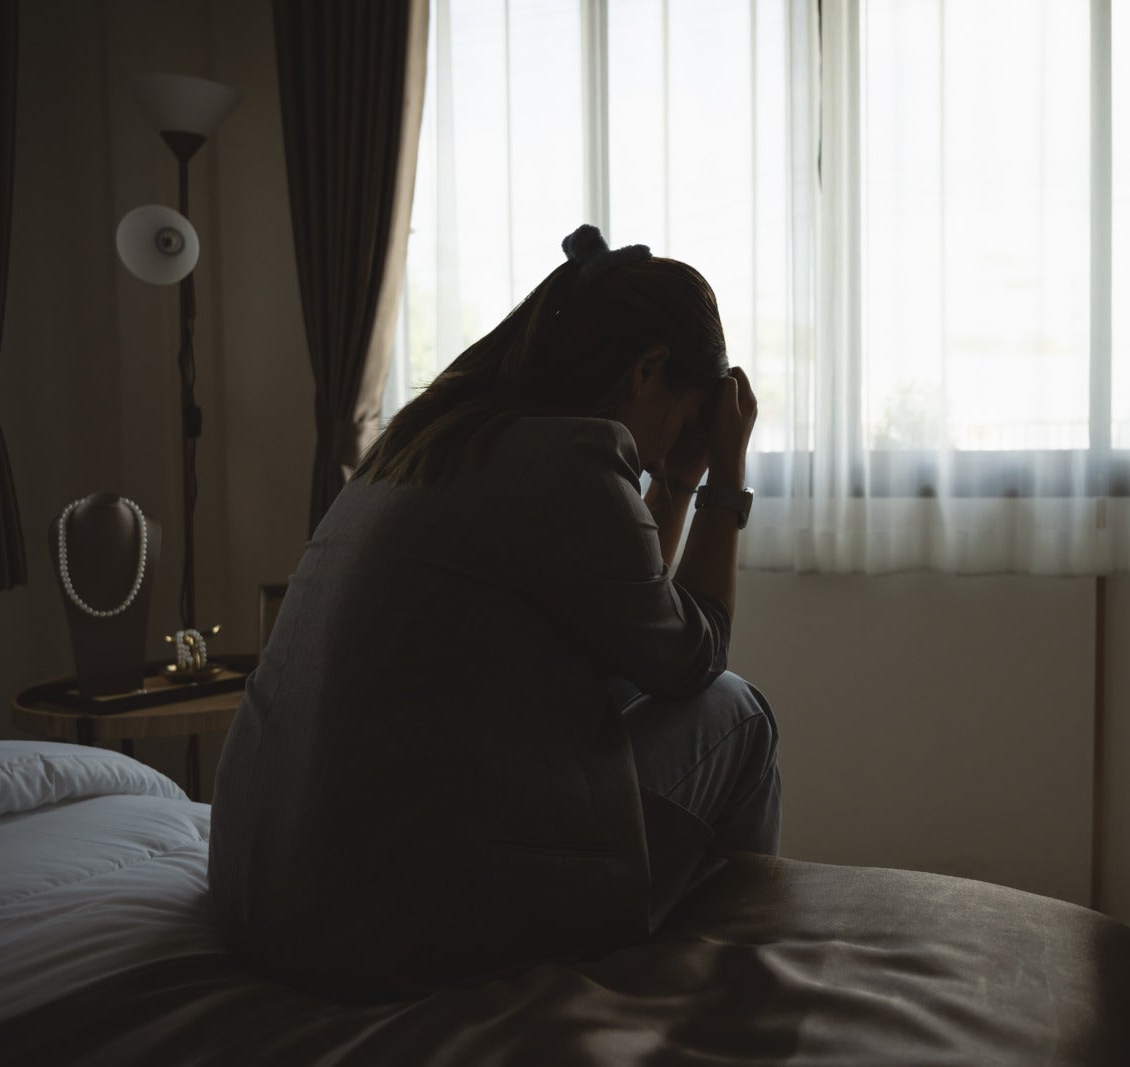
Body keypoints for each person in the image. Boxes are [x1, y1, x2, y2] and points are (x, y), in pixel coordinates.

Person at [207, 225, 780, 1001]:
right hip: (369, 923)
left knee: (624, 695)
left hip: (259, 891)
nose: (661, 454)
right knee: (738, 710)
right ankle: (732, 981)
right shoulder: (569, 459)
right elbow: (691, 655)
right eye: (682, 424)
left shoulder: (429, 440)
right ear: (648, 369)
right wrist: (723, 480)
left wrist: (675, 476)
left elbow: (631, 625)